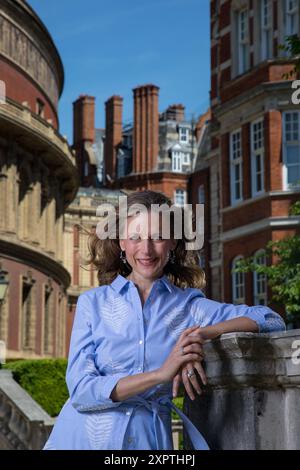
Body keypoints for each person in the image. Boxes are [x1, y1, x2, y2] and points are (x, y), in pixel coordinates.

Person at [43, 190, 286, 450]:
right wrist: (161, 374)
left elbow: (270, 319)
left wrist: (203, 334)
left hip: (149, 441)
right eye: (135, 237)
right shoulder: (92, 303)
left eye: (157, 237)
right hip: (80, 439)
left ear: (173, 243)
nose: (146, 249)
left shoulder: (189, 307)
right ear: (122, 242)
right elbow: (82, 391)